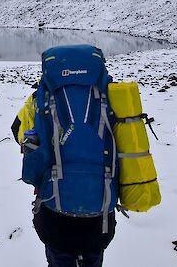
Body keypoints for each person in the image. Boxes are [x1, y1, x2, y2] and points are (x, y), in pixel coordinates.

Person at [12, 84, 116, 267]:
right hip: (100, 212)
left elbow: (19, 131)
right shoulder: (110, 95)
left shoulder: (40, 98)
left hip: (55, 213)